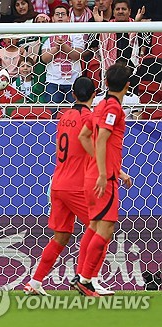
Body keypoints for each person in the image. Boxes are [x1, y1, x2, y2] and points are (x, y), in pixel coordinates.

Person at [23, 76, 96, 296]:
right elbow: (95, 149)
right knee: (100, 228)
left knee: (61, 236)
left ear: (72, 94)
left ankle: (35, 282)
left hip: (57, 183)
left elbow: (58, 148)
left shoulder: (65, 116)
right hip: (76, 185)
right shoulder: (89, 118)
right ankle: (87, 279)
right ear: (94, 94)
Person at [74, 63, 132, 297]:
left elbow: (83, 136)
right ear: (127, 86)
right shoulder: (114, 109)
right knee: (106, 229)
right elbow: (100, 140)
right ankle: (87, 279)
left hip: (97, 174)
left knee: (95, 226)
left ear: (106, 83)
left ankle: (83, 277)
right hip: (101, 178)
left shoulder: (99, 106)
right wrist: (103, 171)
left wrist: (113, 170)